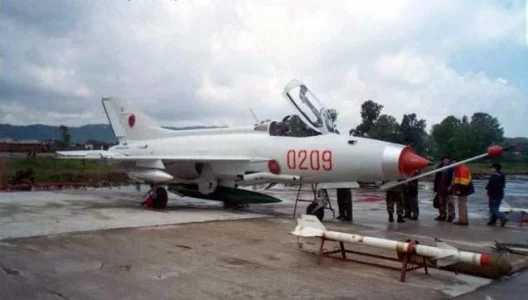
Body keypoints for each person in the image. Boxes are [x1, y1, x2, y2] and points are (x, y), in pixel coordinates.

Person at [451, 159, 475, 226]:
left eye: (454, 163)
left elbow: (463, 182)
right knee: (463, 205)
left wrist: (459, 190)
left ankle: (462, 221)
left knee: (461, 205)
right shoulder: (460, 168)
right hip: (464, 190)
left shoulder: (462, 169)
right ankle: (464, 220)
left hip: (463, 190)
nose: (453, 165)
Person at [433, 155, 456, 222]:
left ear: (449, 160)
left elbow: (453, 178)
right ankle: (442, 215)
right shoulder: (439, 167)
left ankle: (451, 216)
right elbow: (436, 178)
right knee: (441, 202)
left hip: (449, 187)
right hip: (440, 187)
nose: (445, 161)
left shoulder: (452, 167)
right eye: (444, 160)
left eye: (446, 159)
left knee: (450, 202)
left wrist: (450, 186)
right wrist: (436, 188)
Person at [486, 162, 508, 227]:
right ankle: (493, 221)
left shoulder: (494, 176)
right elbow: (503, 185)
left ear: (495, 168)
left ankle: (503, 217)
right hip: (500, 193)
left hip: (493, 194)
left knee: (492, 208)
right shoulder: (502, 174)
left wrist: (487, 189)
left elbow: (491, 184)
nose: (491, 169)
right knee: (496, 208)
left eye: (492, 168)